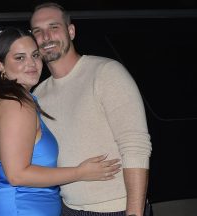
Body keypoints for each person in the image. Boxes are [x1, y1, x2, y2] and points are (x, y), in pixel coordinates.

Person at [0, 27, 121, 216]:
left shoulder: (16, 98)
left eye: (35, 55)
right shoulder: (16, 104)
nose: (31, 63)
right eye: (20, 58)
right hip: (18, 208)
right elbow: (17, 175)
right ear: (1, 66)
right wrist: (81, 172)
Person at [29, 3, 153, 216]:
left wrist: (134, 213)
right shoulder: (39, 94)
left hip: (117, 208)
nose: (46, 37)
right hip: (68, 209)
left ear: (71, 31)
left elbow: (136, 147)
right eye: (38, 31)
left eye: (54, 27)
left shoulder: (105, 73)